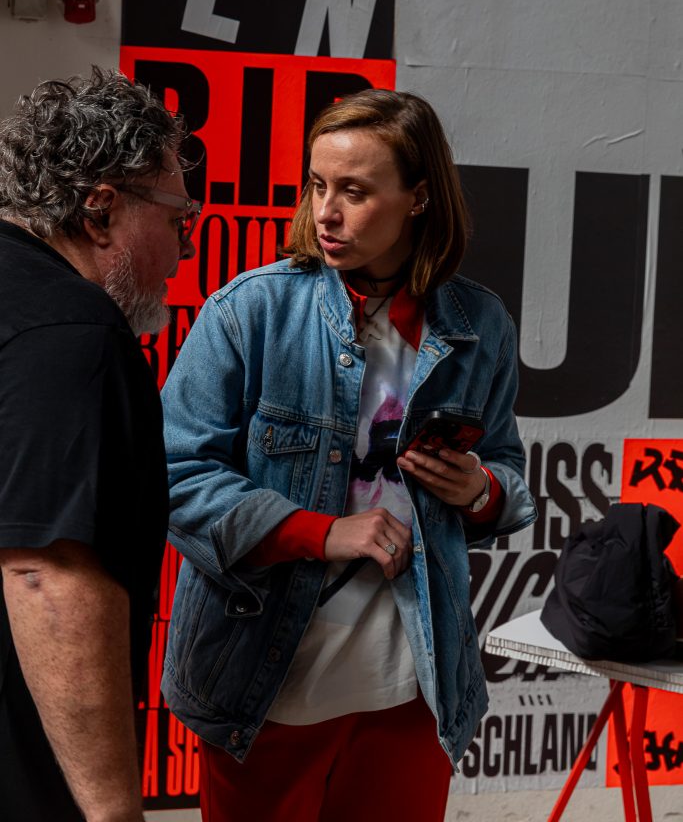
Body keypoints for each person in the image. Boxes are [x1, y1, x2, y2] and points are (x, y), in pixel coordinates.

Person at [161, 89, 536, 822]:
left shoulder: (479, 324)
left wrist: (477, 489)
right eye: (317, 185)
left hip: (413, 687)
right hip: (263, 683)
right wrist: (322, 532)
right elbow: (174, 476)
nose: (325, 212)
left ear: (418, 197)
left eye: (355, 192)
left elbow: (507, 478)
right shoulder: (250, 311)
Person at [0, 68, 200, 822]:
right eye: (177, 220)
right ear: (101, 210)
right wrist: (114, 811)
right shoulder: (74, 335)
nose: (183, 252)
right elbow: (46, 575)